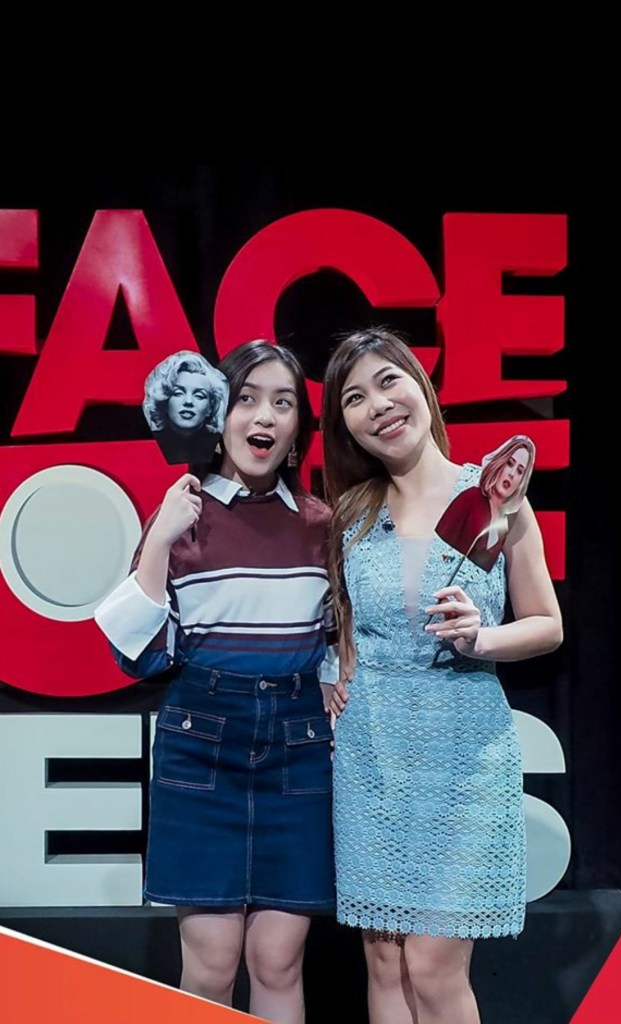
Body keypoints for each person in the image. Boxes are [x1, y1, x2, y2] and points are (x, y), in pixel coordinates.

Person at [321, 327, 563, 1024]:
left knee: (431, 967)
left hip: (464, 755)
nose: (378, 405)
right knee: (385, 962)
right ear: (345, 425)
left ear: (420, 386)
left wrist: (481, 637)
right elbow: (344, 628)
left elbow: (547, 624)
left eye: (388, 381)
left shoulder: (493, 498)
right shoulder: (351, 515)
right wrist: (332, 670)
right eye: (355, 398)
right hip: (371, 757)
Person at [95, 340, 337, 1024]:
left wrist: (330, 677)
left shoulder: (321, 525)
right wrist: (159, 540)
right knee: (210, 965)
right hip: (201, 745)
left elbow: (336, 636)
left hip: (297, 750)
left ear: (297, 427)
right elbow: (139, 658)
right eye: (248, 399)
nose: (265, 416)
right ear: (217, 414)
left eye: (283, 402)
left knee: (279, 961)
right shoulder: (181, 515)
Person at [435, 435, 536, 573]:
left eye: (520, 471)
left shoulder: (503, 525)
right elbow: (437, 552)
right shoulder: (470, 498)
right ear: (500, 462)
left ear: (522, 482)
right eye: (510, 463)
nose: (512, 474)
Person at [142, 350, 229, 464]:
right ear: (164, 401)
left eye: (199, 396)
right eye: (178, 393)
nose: (188, 402)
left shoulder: (225, 448)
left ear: (210, 407)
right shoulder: (148, 443)